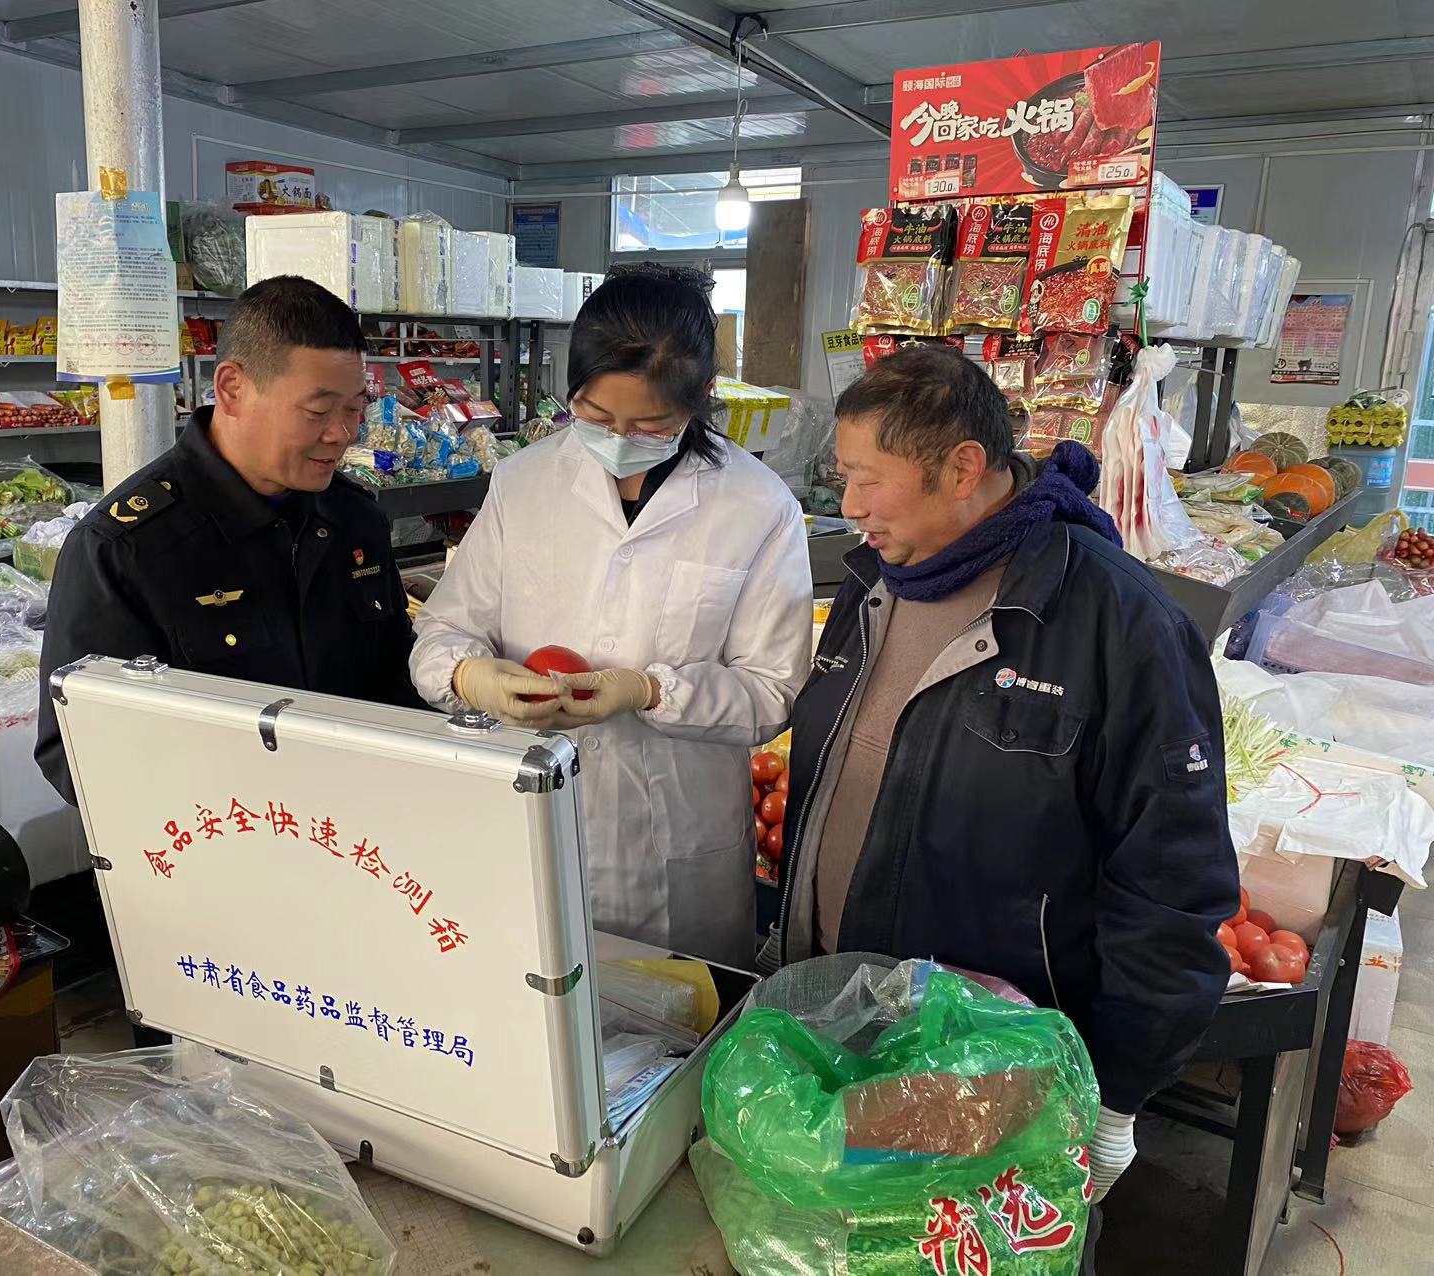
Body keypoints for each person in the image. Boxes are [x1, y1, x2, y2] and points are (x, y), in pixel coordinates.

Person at [765, 346, 1238, 1222]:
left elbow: (1173, 882)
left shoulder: (1116, 622)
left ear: (961, 469)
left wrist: (1118, 1093)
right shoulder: (872, 584)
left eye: (868, 480)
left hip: (998, 1060)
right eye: (844, 478)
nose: (850, 505)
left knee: (970, 1248)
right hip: (842, 1013)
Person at [409, 268, 813, 967]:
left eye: (650, 423)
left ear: (698, 401)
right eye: (595, 417)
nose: (621, 436)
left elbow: (773, 688)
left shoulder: (756, 506)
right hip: (527, 814)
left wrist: (650, 691)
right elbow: (444, 629)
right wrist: (471, 677)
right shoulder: (525, 481)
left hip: (676, 849)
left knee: (678, 1015)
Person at [36, 274, 421, 805]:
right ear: (232, 389)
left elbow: (395, 677)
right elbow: (76, 757)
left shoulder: (354, 518)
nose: (341, 433)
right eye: (317, 411)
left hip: (361, 822)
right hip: (225, 834)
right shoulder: (125, 550)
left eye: (354, 408)